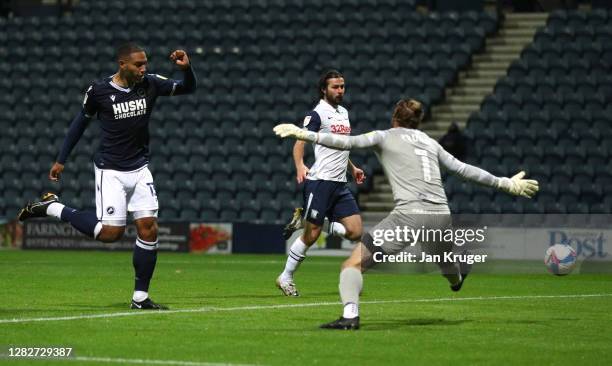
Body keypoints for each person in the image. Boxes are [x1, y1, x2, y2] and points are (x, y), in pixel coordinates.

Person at [274, 98, 539, 329]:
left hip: (408, 216)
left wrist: (306, 134)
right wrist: (505, 183)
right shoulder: (430, 142)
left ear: (394, 118)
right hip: (440, 215)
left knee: (352, 265)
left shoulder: (384, 135)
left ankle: (349, 317)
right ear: (418, 122)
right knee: (447, 267)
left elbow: (346, 142)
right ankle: (458, 276)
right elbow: (464, 169)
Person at [18, 43, 197, 310]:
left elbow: (187, 88)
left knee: (148, 229)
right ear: (122, 64)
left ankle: (140, 298)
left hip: (139, 169)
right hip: (110, 170)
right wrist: (61, 160)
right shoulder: (99, 91)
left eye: (145, 63)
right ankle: (53, 207)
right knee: (110, 234)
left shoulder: (150, 83)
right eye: (138, 65)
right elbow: (80, 123)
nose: (144, 68)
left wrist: (187, 69)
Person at [276, 70, 366, 297]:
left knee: (356, 232)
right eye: (335, 87)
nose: (340, 91)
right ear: (324, 89)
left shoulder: (343, 112)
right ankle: (285, 277)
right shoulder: (317, 114)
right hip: (320, 181)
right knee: (312, 235)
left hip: (340, 183)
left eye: (342, 86)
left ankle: (305, 219)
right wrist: (299, 165)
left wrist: (352, 168)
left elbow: (341, 145)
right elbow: (300, 140)